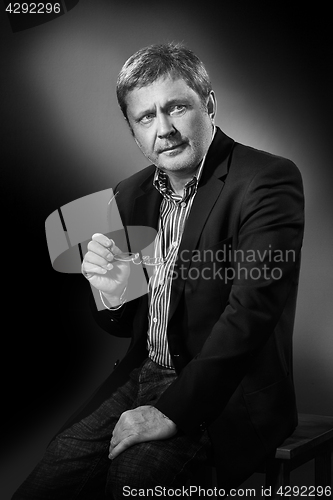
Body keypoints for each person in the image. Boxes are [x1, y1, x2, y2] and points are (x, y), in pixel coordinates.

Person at [13, 42, 304, 499]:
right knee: (41, 488)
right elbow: (122, 323)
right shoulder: (129, 195)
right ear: (133, 132)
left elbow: (251, 314)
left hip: (225, 389)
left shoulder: (266, 180)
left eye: (177, 108)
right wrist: (111, 294)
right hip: (140, 372)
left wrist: (172, 411)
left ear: (208, 105)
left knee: (128, 487)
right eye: (146, 117)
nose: (163, 129)